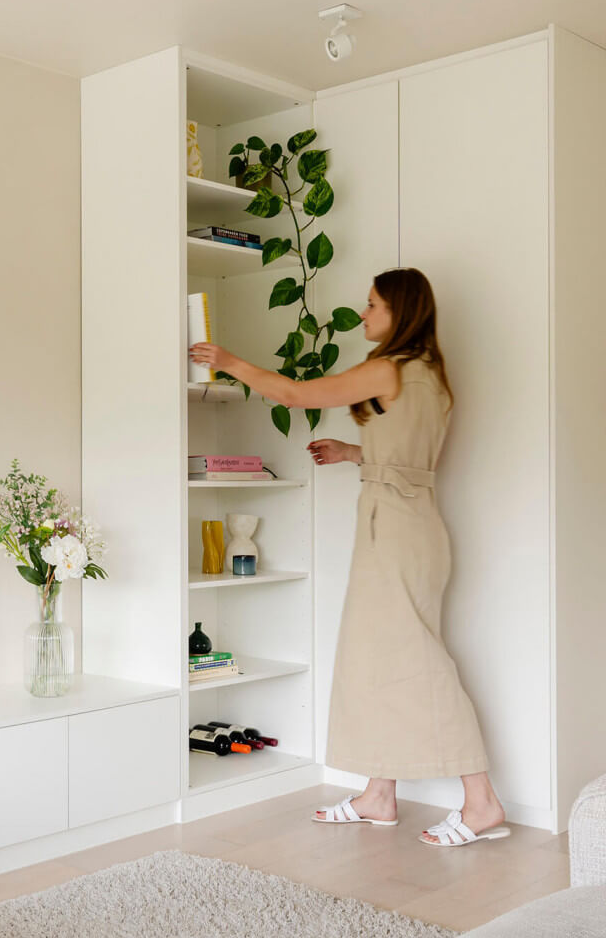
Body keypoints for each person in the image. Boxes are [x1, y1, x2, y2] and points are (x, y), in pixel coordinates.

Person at [189, 267, 509, 848]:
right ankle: (378, 795)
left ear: (399, 311)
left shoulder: (390, 367)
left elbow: (296, 394)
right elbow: (411, 460)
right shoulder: (430, 375)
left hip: (396, 531)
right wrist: (352, 452)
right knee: (375, 659)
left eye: (371, 306)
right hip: (411, 525)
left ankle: (482, 802)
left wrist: (229, 360)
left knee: (420, 664)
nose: (362, 315)